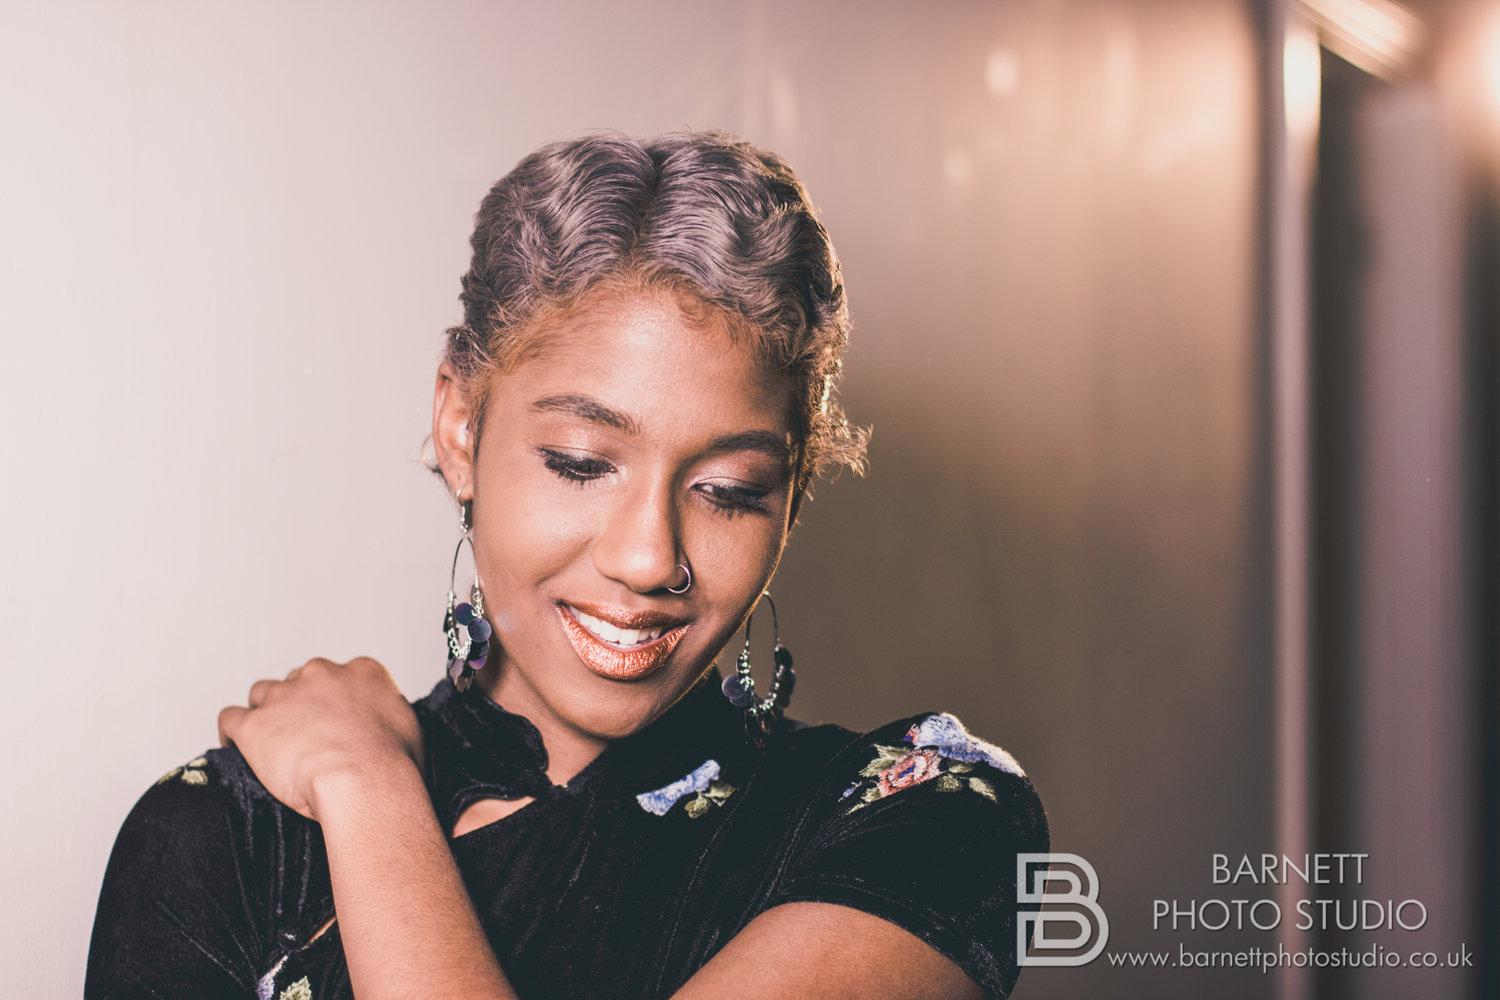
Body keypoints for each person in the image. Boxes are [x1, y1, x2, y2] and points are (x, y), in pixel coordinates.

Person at [84, 129, 1050, 1000]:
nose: (646, 559)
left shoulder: (928, 823)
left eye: (730, 489)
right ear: (461, 426)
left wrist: (371, 795)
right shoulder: (225, 842)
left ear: (792, 494)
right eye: (582, 465)